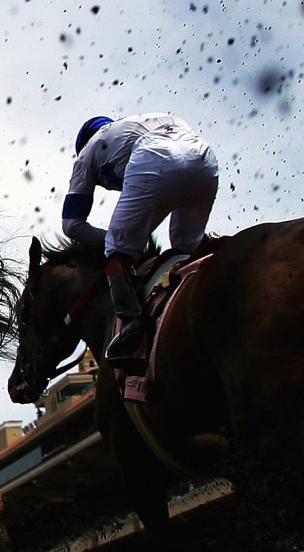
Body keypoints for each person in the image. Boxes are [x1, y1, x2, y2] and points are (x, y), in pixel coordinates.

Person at [59, 112, 221, 371]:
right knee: (188, 246)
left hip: (152, 158)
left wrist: (113, 242)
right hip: (203, 156)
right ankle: (223, 256)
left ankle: (132, 326)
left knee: (116, 249)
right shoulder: (143, 121)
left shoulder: (87, 152)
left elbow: (71, 224)